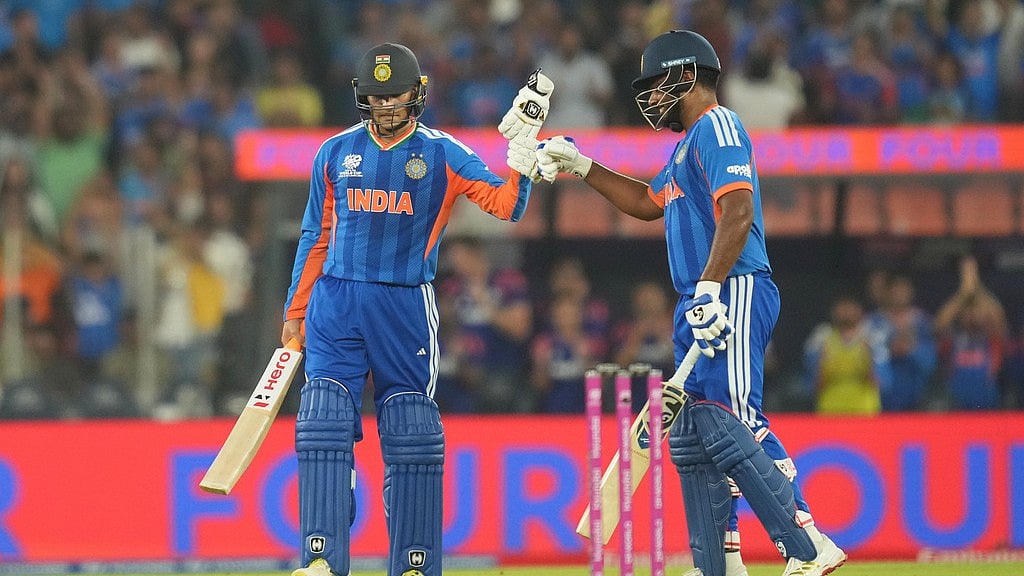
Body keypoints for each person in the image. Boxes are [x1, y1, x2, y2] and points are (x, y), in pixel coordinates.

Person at [535, 30, 846, 576]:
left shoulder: (718, 126)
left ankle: (808, 541)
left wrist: (709, 288)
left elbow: (739, 211)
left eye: (657, 83)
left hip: (733, 285)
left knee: (736, 419)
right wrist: (581, 165)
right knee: (695, 430)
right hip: (699, 294)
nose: (651, 97)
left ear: (686, 75)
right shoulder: (685, 146)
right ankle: (721, 560)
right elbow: (645, 202)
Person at [280, 42, 550, 576]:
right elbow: (317, 234)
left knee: (410, 433)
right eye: (374, 97)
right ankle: (321, 559)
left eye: (394, 95)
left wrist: (522, 158)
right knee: (322, 422)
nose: (384, 106)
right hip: (335, 301)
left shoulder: (444, 153)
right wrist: (296, 308)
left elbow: (505, 205)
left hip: (403, 305)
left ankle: (413, 562)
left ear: (418, 93)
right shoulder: (333, 153)